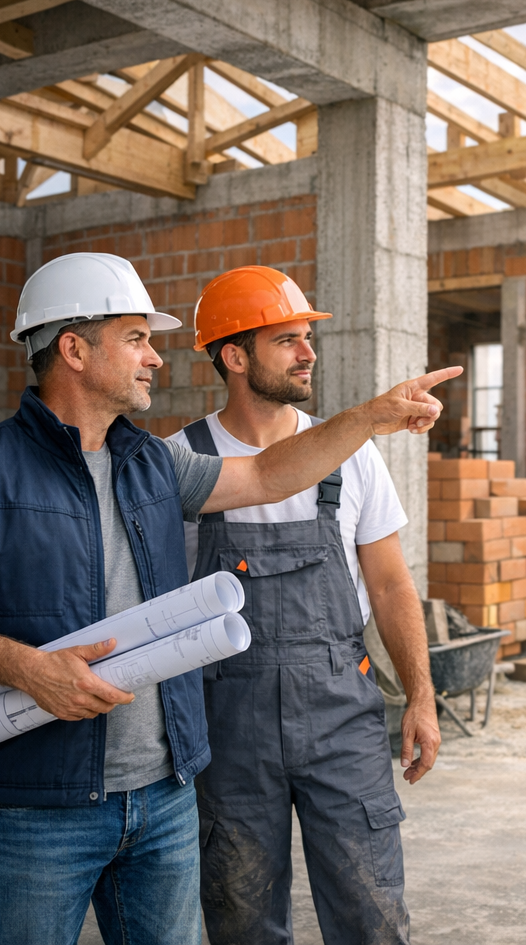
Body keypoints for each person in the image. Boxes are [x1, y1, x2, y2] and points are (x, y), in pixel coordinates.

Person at [0, 253, 458, 945]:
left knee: (364, 914)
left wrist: (371, 417)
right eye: (136, 338)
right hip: (51, 795)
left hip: (166, 788)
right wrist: (25, 667)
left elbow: (273, 475)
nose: (156, 358)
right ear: (73, 349)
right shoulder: (13, 467)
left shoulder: (153, 464)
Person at [165, 266, 436, 945]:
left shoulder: (353, 456)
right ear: (234, 355)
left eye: (304, 339)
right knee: (241, 921)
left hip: (340, 715)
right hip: (226, 728)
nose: (308, 352)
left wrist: (422, 698)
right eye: (287, 339)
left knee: (371, 917)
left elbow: (392, 586)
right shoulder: (181, 461)